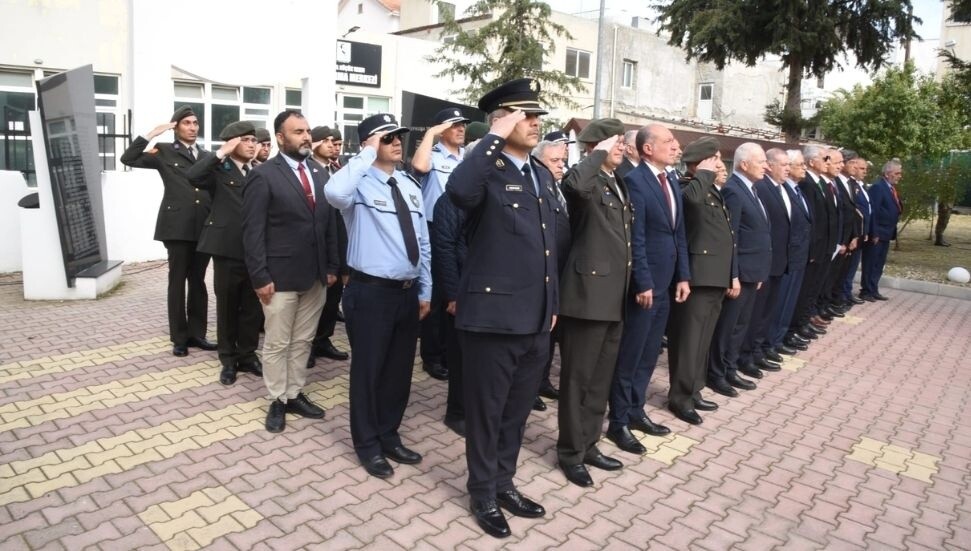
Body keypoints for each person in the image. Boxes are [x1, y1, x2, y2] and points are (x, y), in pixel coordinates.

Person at [447, 78, 558, 539]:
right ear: (502, 119)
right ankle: (482, 492)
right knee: (488, 411)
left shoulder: (541, 174)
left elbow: (551, 245)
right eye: (524, 116)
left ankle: (504, 482)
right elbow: (458, 192)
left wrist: (552, 304)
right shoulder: (485, 169)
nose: (534, 124)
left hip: (535, 317)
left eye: (537, 117)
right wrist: (492, 137)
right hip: (493, 318)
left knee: (515, 412)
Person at [325, 113, 432, 479]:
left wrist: (426, 288)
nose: (397, 142)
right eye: (387, 138)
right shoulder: (355, 183)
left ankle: (389, 434)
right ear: (369, 143)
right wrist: (365, 155)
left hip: (406, 292)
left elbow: (424, 243)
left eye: (398, 135)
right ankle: (367, 444)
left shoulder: (408, 184)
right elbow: (333, 194)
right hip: (369, 292)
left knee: (399, 372)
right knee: (369, 371)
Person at [241, 109, 339, 433]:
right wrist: (260, 277)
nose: (307, 137)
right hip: (279, 277)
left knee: (303, 340)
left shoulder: (319, 172)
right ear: (281, 138)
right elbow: (252, 231)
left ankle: (295, 393)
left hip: (315, 276)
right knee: (278, 342)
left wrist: (332, 266)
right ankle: (277, 400)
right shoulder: (264, 175)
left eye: (308, 131)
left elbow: (329, 224)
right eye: (298, 132)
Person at [555, 118, 632, 488]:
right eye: (615, 143)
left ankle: (589, 444)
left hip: (613, 297)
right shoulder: (585, 178)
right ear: (595, 146)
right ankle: (570, 452)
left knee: (600, 380)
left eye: (621, 143)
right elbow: (573, 185)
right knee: (578, 380)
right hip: (586, 297)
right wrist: (597, 151)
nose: (622, 148)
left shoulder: (615, 181)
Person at [607, 123, 686, 447]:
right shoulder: (634, 182)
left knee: (650, 353)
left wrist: (684, 275)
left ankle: (636, 410)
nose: (675, 146)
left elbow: (677, 232)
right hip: (645, 286)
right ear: (648, 148)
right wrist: (643, 282)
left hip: (667, 283)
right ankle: (619, 421)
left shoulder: (672, 181)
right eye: (667, 141)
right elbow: (635, 240)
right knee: (631, 355)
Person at [120, 105, 215, 357]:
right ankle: (179, 337)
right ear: (176, 127)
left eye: (195, 123)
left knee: (198, 281)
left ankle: (198, 334)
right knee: (177, 281)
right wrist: (152, 133)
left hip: (203, 226)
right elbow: (128, 159)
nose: (193, 127)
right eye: (187, 123)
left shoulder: (207, 156)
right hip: (176, 227)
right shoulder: (163, 152)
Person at [185, 121, 264, 385]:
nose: (252, 145)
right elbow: (193, 176)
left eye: (254, 140)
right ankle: (228, 359)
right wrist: (220, 153)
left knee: (253, 307)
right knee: (228, 305)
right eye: (246, 140)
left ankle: (248, 355)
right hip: (227, 249)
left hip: (255, 251)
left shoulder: (259, 171)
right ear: (231, 143)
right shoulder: (219, 169)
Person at [667, 138, 736, 425]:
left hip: (714, 276)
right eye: (714, 158)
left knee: (703, 340)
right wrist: (704, 174)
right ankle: (680, 398)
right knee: (688, 341)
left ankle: (694, 389)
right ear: (699, 162)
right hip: (697, 276)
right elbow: (690, 203)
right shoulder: (688, 186)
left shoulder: (710, 189)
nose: (720, 163)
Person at [412, 108, 471, 381]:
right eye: (455, 125)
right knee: (437, 297)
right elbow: (420, 167)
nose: (461, 129)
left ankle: (450, 351)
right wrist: (430, 134)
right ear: (440, 129)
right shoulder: (433, 156)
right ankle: (432, 356)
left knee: (456, 293)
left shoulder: (468, 158)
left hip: (464, 232)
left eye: (463, 125)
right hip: (435, 230)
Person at [708, 143, 771, 398]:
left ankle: (730, 368)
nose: (765, 166)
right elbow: (730, 237)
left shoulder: (752, 190)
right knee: (727, 327)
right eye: (761, 161)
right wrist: (732, 275)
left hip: (752, 272)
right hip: (739, 273)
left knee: (739, 326)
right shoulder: (734, 190)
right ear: (744, 164)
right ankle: (715, 373)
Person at [739, 148, 792, 378]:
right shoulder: (759, 188)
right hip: (756, 265)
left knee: (766, 312)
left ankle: (756, 350)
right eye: (784, 165)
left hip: (774, 260)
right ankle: (746, 355)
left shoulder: (778, 188)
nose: (787, 169)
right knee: (753, 317)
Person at [531, 139, 571, 410]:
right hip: (541, 272)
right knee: (538, 336)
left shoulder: (558, 187)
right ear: (539, 161)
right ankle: (531, 387)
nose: (561, 166)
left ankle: (543, 380)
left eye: (563, 160)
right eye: (555, 161)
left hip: (560, 270)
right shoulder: (538, 187)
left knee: (552, 333)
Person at [308, 126, 350, 366]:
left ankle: (324, 339)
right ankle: (310, 344)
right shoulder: (308, 168)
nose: (335, 146)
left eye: (338, 142)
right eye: (329, 142)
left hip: (340, 237)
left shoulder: (338, 168)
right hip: (319, 241)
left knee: (334, 297)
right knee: (316, 298)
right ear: (314, 143)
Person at [766, 150, 813, 355]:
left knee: (787, 302)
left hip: (796, 255)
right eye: (797, 164)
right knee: (776, 305)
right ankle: (770, 342)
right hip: (782, 256)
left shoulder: (793, 190)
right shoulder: (774, 189)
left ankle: (777, 340)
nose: (803, 168)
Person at [861, 159, 902, 301]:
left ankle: (873, 289)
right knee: (871, 262)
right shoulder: (878, 187)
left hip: (887, 233)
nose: (899, 176)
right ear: (888, 173)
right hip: (878, 233)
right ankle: (866, 290)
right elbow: (874, 211)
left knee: (879, 263)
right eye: (897, 173)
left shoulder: (890, 188)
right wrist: (874, 232)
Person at [843, 152, 872, 303]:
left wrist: (865, 231)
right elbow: (855, 211)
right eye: (861, 168)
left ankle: (846, 292)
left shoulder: (862, 186)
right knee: (848, 266)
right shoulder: (851, 185)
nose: (863, 171)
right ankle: (845, 293)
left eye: (864, 169)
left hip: (861, 232)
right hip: (852, 233)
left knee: (853, 265)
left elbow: (866, 211)